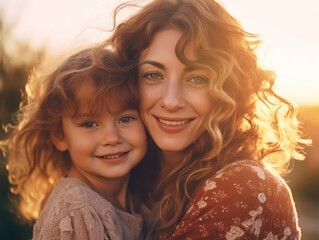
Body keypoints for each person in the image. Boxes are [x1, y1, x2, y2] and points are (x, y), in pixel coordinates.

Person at [97, 0, 311, 239]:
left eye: (197, 78)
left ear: (228, 90)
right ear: (129, 83)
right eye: (153, 75)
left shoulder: (242, 185)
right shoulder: (136, 178)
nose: (171, 100)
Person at [0, 47, 146, 239]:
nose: (112, 138)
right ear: (60, 136)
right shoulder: (79, 213)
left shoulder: (136, 196)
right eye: (89, 124)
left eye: (125, 119)